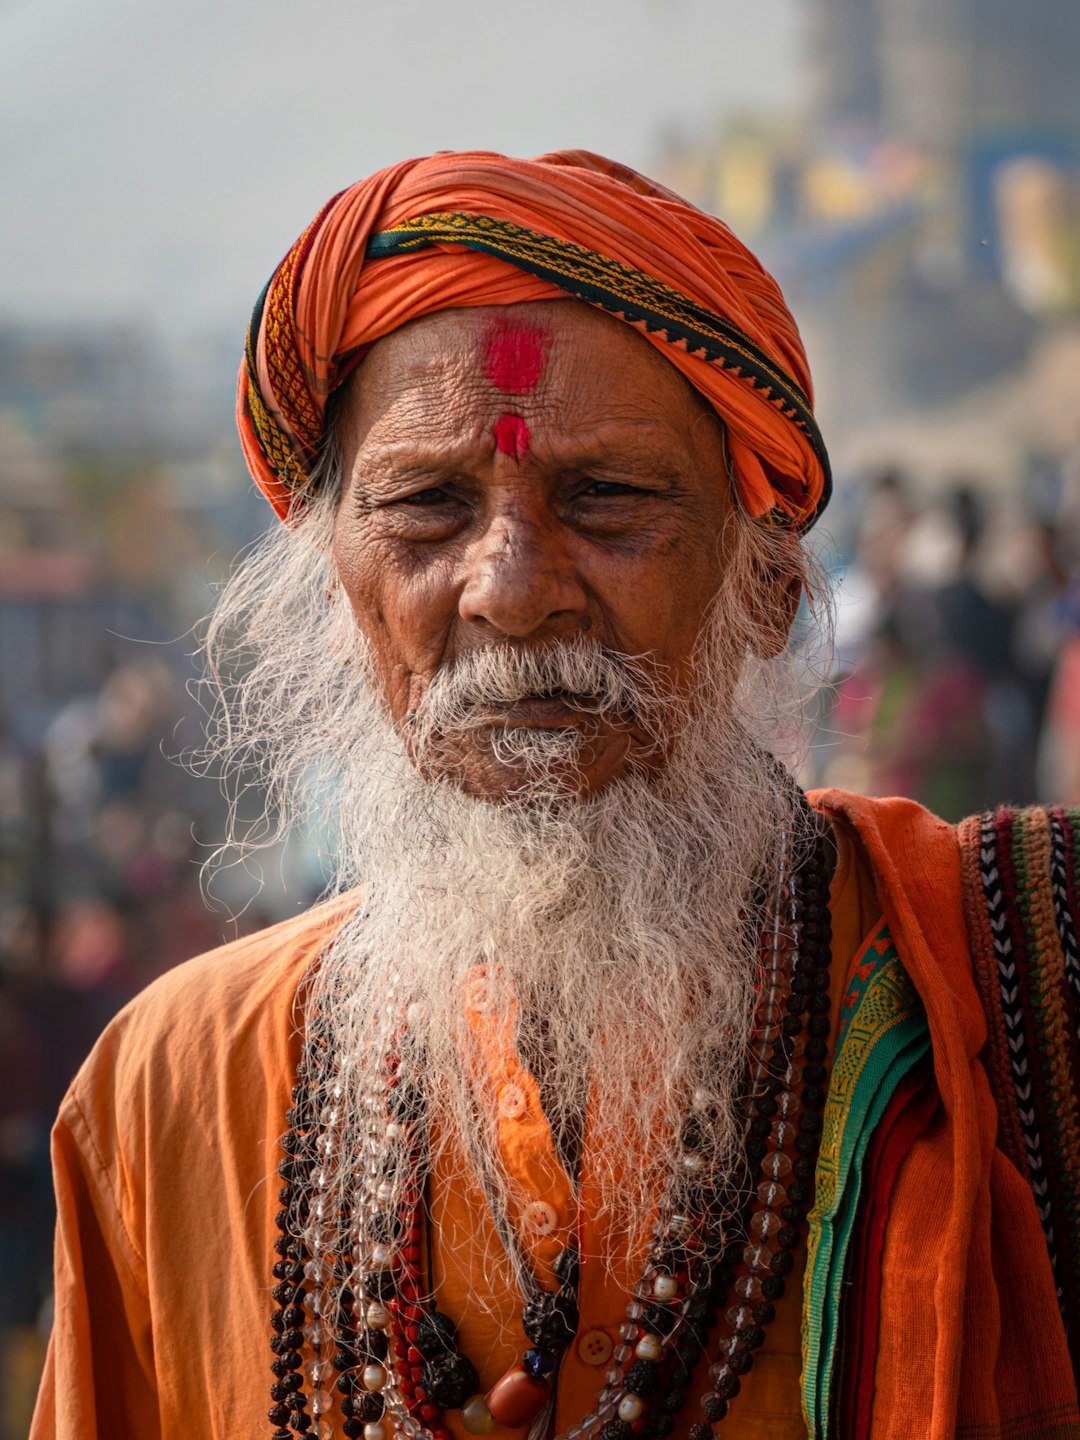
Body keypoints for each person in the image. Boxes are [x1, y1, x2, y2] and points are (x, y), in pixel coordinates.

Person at [29, 151, 1080, 1440]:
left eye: (609, 499)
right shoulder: (170, 1095)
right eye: (427, 506)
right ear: (336, 597)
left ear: (769, 592)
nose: (513, 588)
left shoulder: (1027, 980)